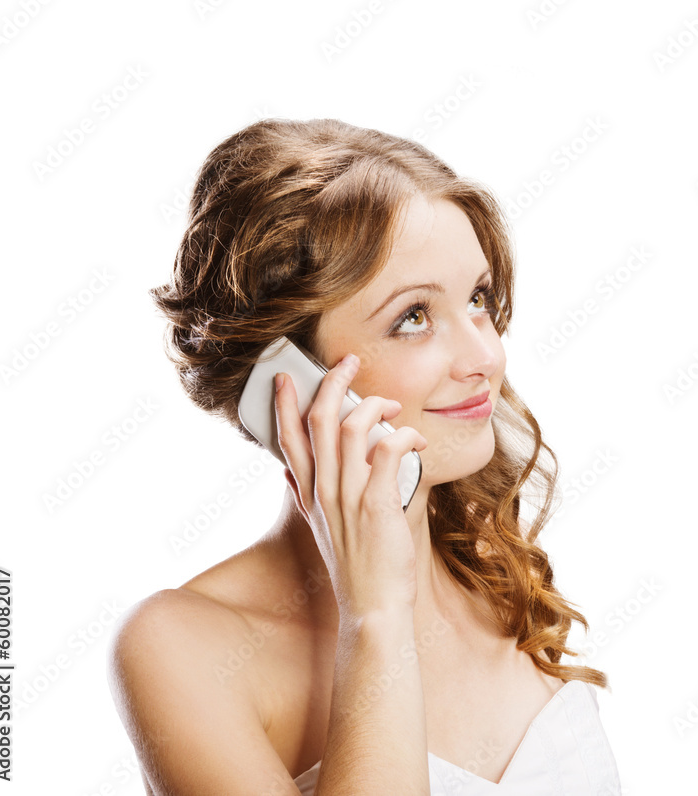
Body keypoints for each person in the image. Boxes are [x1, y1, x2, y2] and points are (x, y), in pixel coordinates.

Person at [108, 117, 622, 795]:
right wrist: (374, 616)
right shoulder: (182, 647)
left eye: (478, 298)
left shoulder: (490, 572)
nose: (486, 356)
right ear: (287, 381)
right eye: (414, 317)